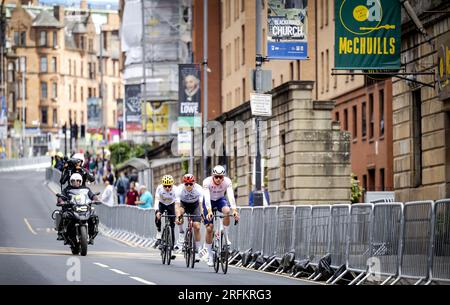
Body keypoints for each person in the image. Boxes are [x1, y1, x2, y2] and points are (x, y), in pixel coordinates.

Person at [202, 165, 239, 267]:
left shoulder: (227, 182)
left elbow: (230, 196)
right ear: (213, 176)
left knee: (227, 210)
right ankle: (209, 254)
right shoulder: (207, 182)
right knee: (209, 228)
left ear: (223, 177)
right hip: (208, 202)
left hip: (219, 200)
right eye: (216, 177)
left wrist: (234, 210)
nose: (218, 179)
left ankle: (225, 235)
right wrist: (209, 211)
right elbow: (207, 197)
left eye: (221, 177)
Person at [56, 173, 99, 244]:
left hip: (84, 208)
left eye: (78, 181)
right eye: (74, 181)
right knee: (64, 215)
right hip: (71, 209)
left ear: (81, 181)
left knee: (94, 216)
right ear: (71, 181)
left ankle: (92, 233)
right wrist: (61, 201)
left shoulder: (86, 189)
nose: (76, 182)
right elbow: (61, 197)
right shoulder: (67, 189)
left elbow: (92, 195)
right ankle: (61, 232)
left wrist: (95, 199)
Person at [173, 174, 208, 254]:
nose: (188, 186)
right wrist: (178, 216)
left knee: (197, 226)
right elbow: (177, 205)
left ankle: (198, 248)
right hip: (183, 204)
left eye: (190, 184)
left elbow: (201, 204)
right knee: (180, 214)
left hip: (195, 205)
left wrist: (202, 214)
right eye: (186, 184)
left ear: (194, 183)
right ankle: (181, 234)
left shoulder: (199, 189)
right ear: (183, 184)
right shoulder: (179, 189)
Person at [153, 175, 178, 258]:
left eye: (169, 186)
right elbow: (156, 200)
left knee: (172, 226)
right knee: (158, 217)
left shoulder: (175, 189)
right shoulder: (159, 188)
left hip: (171, 204)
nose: (167, 188)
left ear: (172, 185)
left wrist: (177, 214)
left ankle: (172, 246)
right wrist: (157, 211)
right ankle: (159, 233)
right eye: (165, 186)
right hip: (162, 204)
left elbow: (177, 202)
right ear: (162, 185)